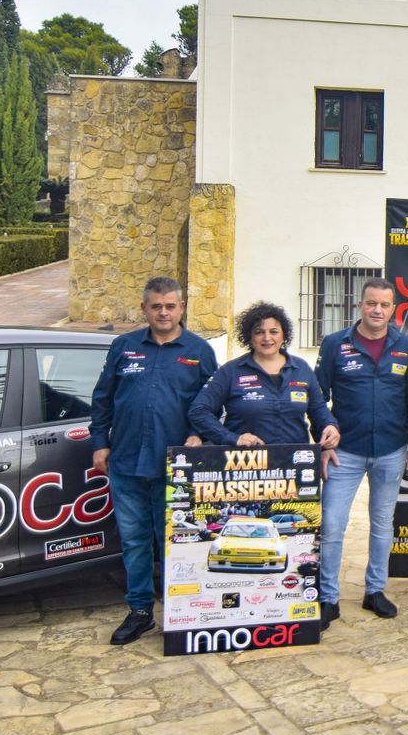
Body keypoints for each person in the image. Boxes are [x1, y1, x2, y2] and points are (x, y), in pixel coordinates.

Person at [90, 277, 218, 646]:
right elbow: (102, 399)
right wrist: (100, 443)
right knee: (133, 542)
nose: (163, 312)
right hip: (126, 463)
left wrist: (201, 434)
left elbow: (214, 404)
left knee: (175, 544)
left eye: (170, 306)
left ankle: (181, 612)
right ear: (144, 309)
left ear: (182, 308)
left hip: (175, 468)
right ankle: (141, 611)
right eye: (156, 306)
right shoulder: (124, 347)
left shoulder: (199, 351)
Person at [315, 277, 408, 630]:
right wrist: (323, 437)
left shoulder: (406, 347)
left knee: (381, 526)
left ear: (393, 309)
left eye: (385, 305)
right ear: (360, 305)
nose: (377, 310)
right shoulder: (335, 344)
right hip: (344, 452)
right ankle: (327, 598)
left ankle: (375, 590)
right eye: (371, 303)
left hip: (391, 450)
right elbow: (317, 399)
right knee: (331, 524)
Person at [189, 301, 340, 449]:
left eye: (274, 331)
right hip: (246, 466)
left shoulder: (301, 369)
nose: (267, 338)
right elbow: (199, 411)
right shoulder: (230, 371)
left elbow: (318, 409)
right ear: (249, 337)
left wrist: (329, 425)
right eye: (259, 332)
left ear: (283, 335)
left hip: (294, 464)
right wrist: (232, 438)